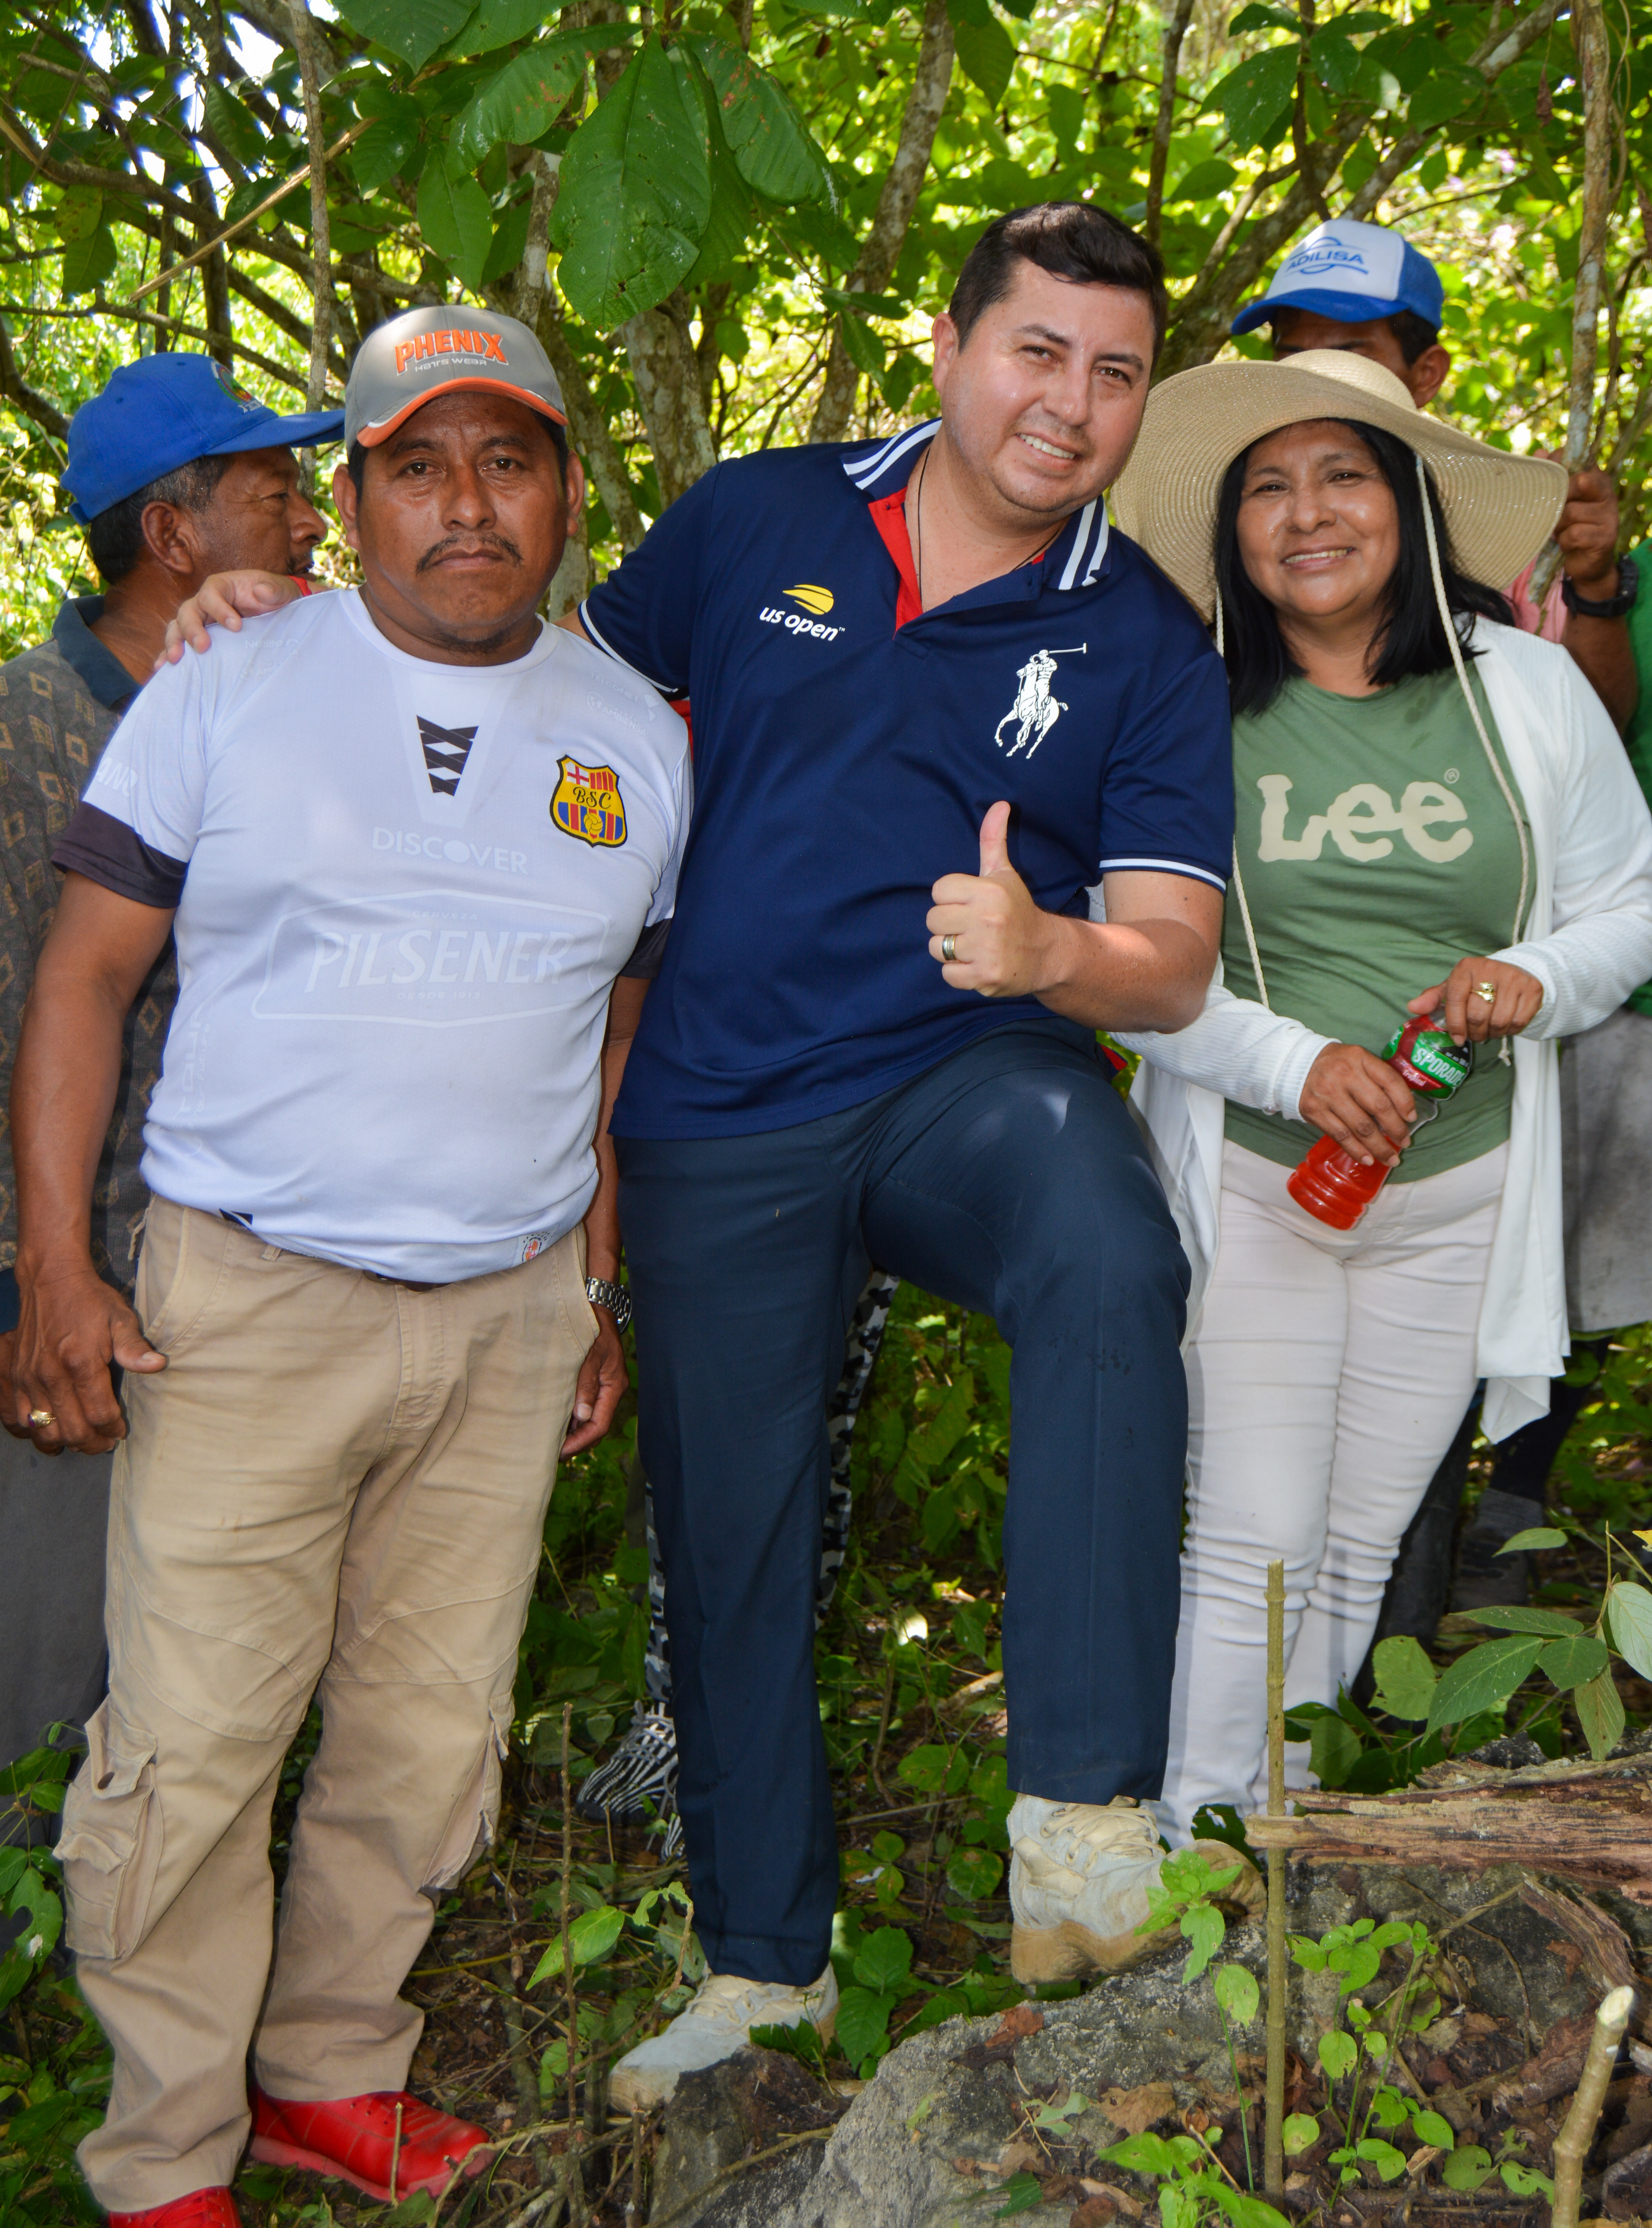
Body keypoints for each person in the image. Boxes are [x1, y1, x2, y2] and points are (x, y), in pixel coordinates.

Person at [160, 201, 1261, 2113]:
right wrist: (286, 624)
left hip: (963, 1068)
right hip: (717, 1103)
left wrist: (1048, 954)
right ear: (949, 348)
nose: (1068, 403)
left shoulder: (1144, 638)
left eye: (1112, 372)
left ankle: (1082, 1836)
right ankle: (761, 1964)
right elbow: (525, 679)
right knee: (729, 1535)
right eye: (1034, 351)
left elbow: (1164, 960)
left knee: (1106, 1237)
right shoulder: (760, 518)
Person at [11, 305, 688, 2228]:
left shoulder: (637, 739)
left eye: (508, 460)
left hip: (506, 1315)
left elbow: (611, 1030)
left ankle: (326, 2073)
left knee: (426, 1734)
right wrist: (56, 1267)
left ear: (565, 490)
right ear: (363, 495)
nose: (466, 504)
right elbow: (83, 980)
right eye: (417, 464)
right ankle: (164, 2152)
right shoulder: (227, 678)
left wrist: (595, 1278)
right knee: (194, 1744)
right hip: (246, 1300)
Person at [1105, 347, 1652, 1840]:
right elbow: (1131, 956)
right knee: (1256, 1535)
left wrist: (1532, 976)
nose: (1307, 515)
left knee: (1357, 1537)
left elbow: (1630, 901)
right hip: (1257, 1177)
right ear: (1230, 531)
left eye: (1343, 475)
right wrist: (1295, 1065)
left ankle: (1270, 1847)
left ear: (1408, 502)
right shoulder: (1181, 699)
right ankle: (1194, 1854)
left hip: (1462, 1188)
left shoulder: (1523, 686)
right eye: (1267, 489)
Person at [0, 354, 337, 1772]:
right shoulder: (28, 731)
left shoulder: (292, 701)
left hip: (251, 1277)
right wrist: (35, 1284)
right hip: (73, 1295)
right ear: (172, 533)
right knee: (46, 1695)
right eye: (276, 493)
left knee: (207, 1694)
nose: (314, 519)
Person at [1450, 515, 1652, 1604]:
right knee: (1529, 1251)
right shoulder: (1608, 582)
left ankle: (1509, 1507)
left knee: (1596, 1271)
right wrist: (1601, 588)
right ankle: (1460, 1519)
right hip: (1579, 983)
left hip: (1601, 982)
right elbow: (1600, 717)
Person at [1232, 219, 1640, 731]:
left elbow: (1591, 729)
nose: (1317, 379)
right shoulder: (1248, 508)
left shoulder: (1513, 516)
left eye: (1347, 358)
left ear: (1426, 374)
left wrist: (1596, 584)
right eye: (1293, 358)